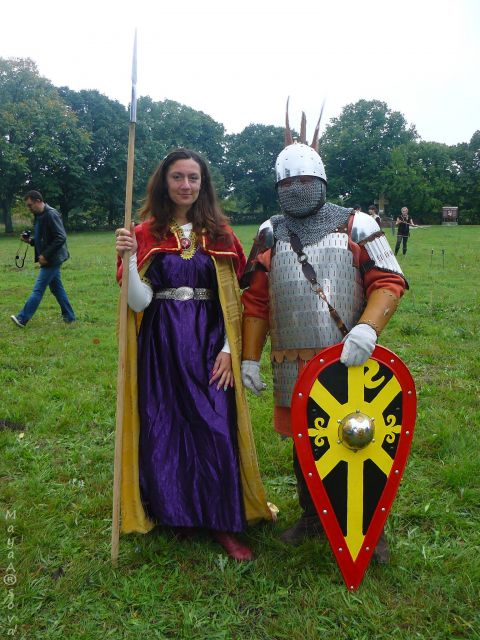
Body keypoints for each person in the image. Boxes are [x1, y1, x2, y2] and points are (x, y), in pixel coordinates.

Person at [240, 105, 407, 563]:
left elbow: (388, 281)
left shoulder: (358, 223)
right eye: (287, 183)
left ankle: (368, 527)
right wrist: (250, 357)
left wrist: (367, 329)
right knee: (305, 440)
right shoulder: (270, 233)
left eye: (304, 180)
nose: (295, 189)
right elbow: (256, 301)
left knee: (360, 437)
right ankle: (313, 516)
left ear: (321, 181)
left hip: (348, 356)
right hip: (291, 361)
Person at [115, 148, 273, 562]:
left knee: (215, 425)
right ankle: (179, 514)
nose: (185, 185)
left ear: (203, 185)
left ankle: (223, 522)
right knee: (164, 426)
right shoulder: (143, 234)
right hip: (161, 343)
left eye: (193, 178)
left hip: (209, 342)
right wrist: (129, 258)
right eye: (177, 177)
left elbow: (235, 300)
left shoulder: (219, 234)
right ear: (163, 182)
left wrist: (229, 350)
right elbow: (138, 301)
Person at [11, 191, 75, 328]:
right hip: (50, 257)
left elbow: (61, 237)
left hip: (53, 259)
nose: (29, 208)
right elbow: (44, 239)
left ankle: (22, 318)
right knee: (57, 289)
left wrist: (45, 255)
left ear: (38, 201)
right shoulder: (39, 215)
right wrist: (30, 241)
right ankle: (69, 316)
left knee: (38, 290)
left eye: (30, 205)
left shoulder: (51, 214)